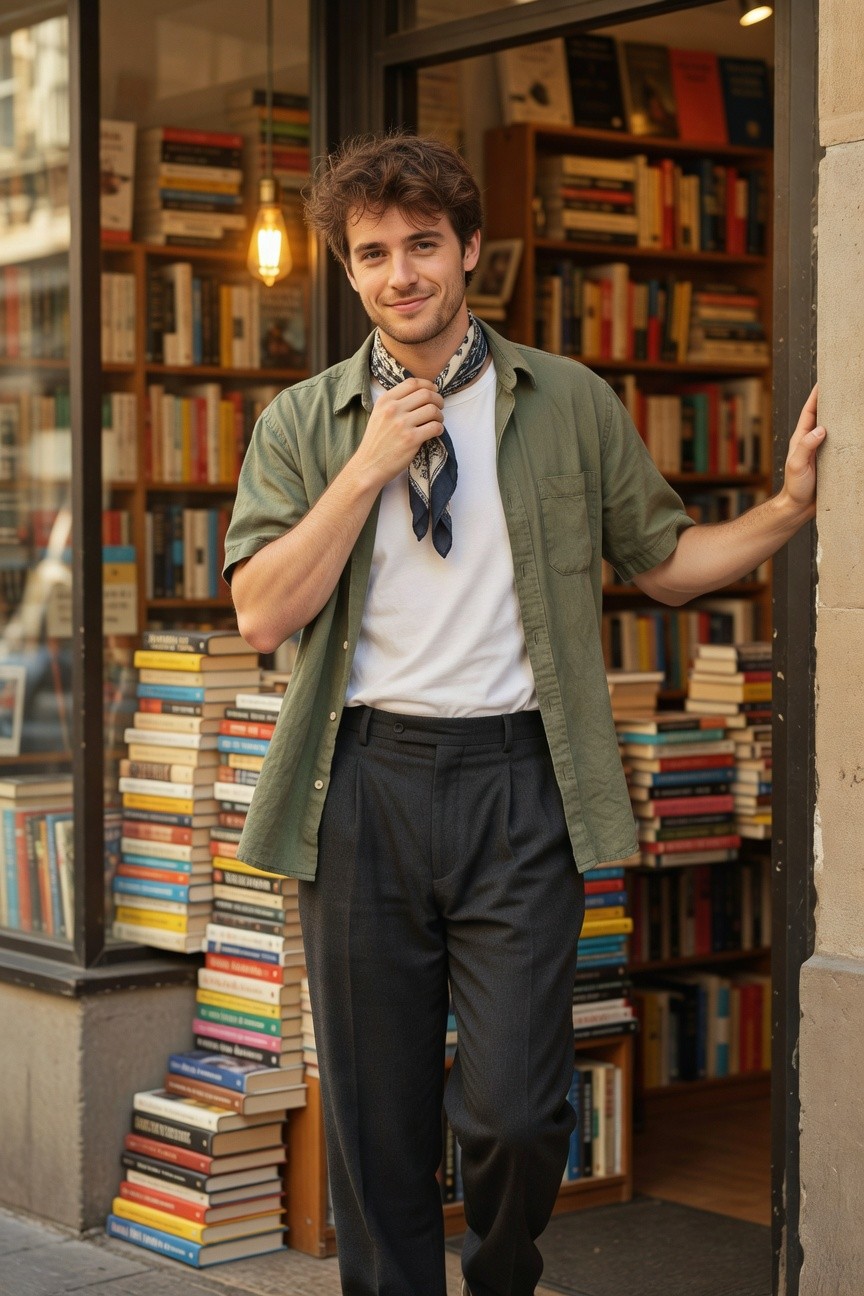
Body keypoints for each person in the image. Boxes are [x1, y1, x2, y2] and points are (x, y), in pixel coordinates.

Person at [223, 132, 824, 1296]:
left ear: (471, 252)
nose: (401, 274)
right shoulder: (305, 423)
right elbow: (259, 613)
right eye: (374, 255)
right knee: (375, 1114)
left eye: (423, 246)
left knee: (513, 1105)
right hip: (362, 787)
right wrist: (367, 467)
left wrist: (789, 509)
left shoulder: (569, 402)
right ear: (350, 274)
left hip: (518, 785)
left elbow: (666, 562)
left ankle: (503, 1276)